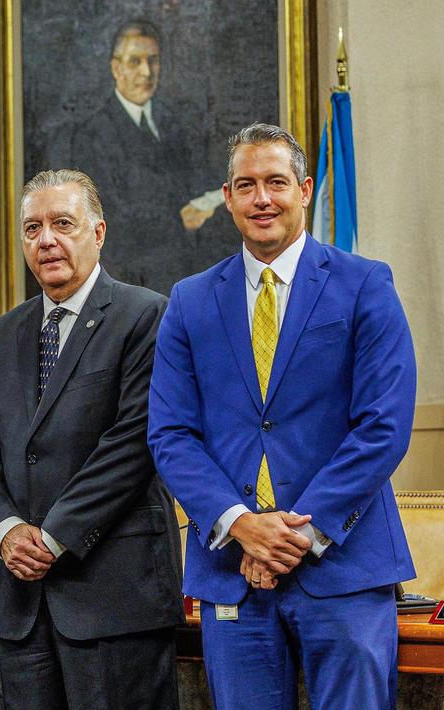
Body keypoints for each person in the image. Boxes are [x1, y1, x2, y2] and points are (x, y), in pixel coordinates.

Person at [148, 123, 417, 709]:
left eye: (275, 182)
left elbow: (383, 426)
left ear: (305, 188)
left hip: (344, 565)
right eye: (246, 185)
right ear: (228, 196)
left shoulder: (364, 284)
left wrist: (298, 534)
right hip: (231, 574)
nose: (261, 199)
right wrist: (242, 525)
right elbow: (170, 434)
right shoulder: (190, 300)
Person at [0, 169, 184, 708]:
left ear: (99, 232)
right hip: (23, 599)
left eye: (63, 223)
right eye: (32, 227)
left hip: (114, 594)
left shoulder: (145, 315)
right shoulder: (4, 331)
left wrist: (53, 535)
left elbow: (134, 442)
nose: (46, 240)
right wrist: (7, 530)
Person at [71, 19, 224, 293]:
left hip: (187, 278)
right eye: (135, 62)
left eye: (153, 61)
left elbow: (201, 184)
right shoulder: (93, 135)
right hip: (132, 285)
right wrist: (180, 221)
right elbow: (109, 220)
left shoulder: (178, 123)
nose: (146, 72)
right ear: (116, 68)